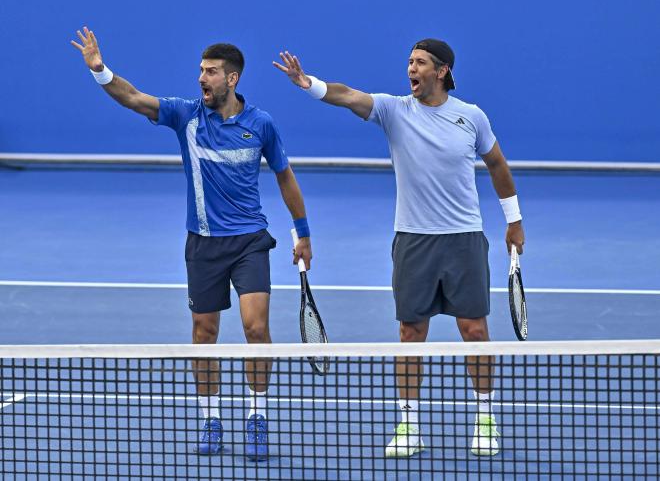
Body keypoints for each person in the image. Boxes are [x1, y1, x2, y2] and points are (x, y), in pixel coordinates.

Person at [274, 39, 525, 458]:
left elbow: (497, 164)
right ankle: (409, 424)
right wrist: (307, 83)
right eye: (409, 62)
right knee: (411, 333)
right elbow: (348, 96)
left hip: (463, 238)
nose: (411, 68)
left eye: (420, 62)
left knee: (475, 331)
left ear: (441, 71)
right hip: (413, 239)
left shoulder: (471, 117)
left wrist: (514, 220)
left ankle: (485, 418)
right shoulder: (394, 111)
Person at [72, 27, 313, 461]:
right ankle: (210, 418)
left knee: (256, 328)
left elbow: (284, 176)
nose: (202, 78)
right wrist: (100, 71)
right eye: (201, 70)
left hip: (250, 242)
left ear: (232, 79)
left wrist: (303, 233)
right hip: (202, 244)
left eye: (211, 72)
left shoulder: (261, 124)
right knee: (204, 334)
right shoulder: (185, 116)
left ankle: (257, 416)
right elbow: (133, 97)